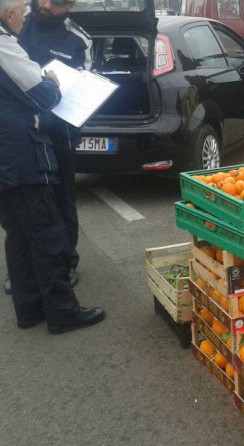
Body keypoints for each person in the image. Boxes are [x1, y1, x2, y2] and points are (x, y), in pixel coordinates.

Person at [0, 0, 105, 333]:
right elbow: (42, 94)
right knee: (45, 230)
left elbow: (86, 76)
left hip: (38, 141)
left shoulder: (77, 38)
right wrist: (52, 83)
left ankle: (29, 307)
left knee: (21, 230)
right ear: (9, 14)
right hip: (22, 148)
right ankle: (61, 311)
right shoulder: (5, 42)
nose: (41, 6)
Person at [15, 0, 93, 295]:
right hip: (19, 131)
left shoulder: (79, 39)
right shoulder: (14, 24)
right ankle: (24, 268)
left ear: (71, 5)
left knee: (62, 199)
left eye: (57, 2)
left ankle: (65, 263)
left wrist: (82, 83)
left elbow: (87, 84)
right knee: (22, 201)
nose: (46, 5)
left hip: (60, 132)